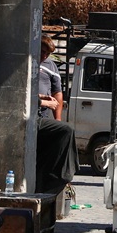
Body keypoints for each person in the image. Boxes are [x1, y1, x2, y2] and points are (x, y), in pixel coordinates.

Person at [35, 35, 78, 194]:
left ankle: (56, 176)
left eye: (47, 54)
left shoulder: (51, 66)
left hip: (44, 116)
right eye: (42, 52)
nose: (44, 56)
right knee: (67, 131)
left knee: (62, 132)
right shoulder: (29, 64)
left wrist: (57, 118)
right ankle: (65, 173)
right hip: (34, 116)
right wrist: (43, 101)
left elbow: (57, 92)